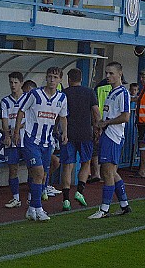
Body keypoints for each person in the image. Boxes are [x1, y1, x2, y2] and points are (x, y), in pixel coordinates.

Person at [13, 67, 68, 222]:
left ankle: (32, 209)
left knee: (42, 175)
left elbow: (63, 118)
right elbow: (21, 111)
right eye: (49, 76)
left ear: (59, 80)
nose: (52, 80)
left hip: (47, 141)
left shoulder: (62, 98)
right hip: (31, 139)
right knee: (38, 172)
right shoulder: (35, 94)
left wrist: (65, 133)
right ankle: (38, 207)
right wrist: (17, 132)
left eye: (55, 77)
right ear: (46, 78)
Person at [88, 62, 131, 219]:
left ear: (120, 74)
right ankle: (124, 205)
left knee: (107, 173)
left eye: (111, 73)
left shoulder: (123, 93)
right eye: (106, 73)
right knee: (112, 172)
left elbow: (126, 117)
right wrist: (101, 125)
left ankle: (104, 209)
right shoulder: (111, 92)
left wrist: (106, 123)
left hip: (114, 136)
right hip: (107, 134)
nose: (107, 76)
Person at [60, 68, 101, 211]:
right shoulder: (89, 92)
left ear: (68, 79)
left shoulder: (64, 93)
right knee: (86, 162)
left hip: (68, 134)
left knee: (67, 165)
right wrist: (98, 127)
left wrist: (56, 131)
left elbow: (60, 115)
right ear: (81, 79)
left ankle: (66, 199)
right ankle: (80, 191)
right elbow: (96, 112)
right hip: (85, 133)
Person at [0, 72, 27, 209]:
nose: (13, 85)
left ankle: (31, 197)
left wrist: (18, 127)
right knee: (13, 169)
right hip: (12, 140)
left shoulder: (28, 99)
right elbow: (4, 120)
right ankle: (16, 198)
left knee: (33, 168)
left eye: (16, 82)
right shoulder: (5, 101)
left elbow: (29, 119)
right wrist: (7, 135)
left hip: (26, 139)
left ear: (21, 83)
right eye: (11, 82)